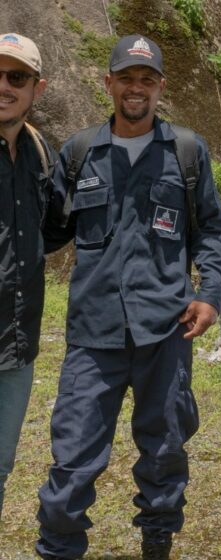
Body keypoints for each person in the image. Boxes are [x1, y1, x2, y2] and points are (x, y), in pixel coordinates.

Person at [35, 34, 221, 559]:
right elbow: (47, 230)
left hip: (165, 328)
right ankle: (59, 548)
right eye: (126, 78)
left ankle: (157, 543)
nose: (135, 88)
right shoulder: (78, 152)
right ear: (109, 84)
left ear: (160, 87)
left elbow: (211, 228)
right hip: (92, 335)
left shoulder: (186, 151)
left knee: (164, 450)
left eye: (146, 79)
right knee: (72, 457)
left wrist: (210, 294)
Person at [0, 32, 63, 520]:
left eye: (16, 77)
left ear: (36, 89)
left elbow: (52, 230)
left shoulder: (41, 154)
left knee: (1, 466)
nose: (4, 85)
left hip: (17, 343)